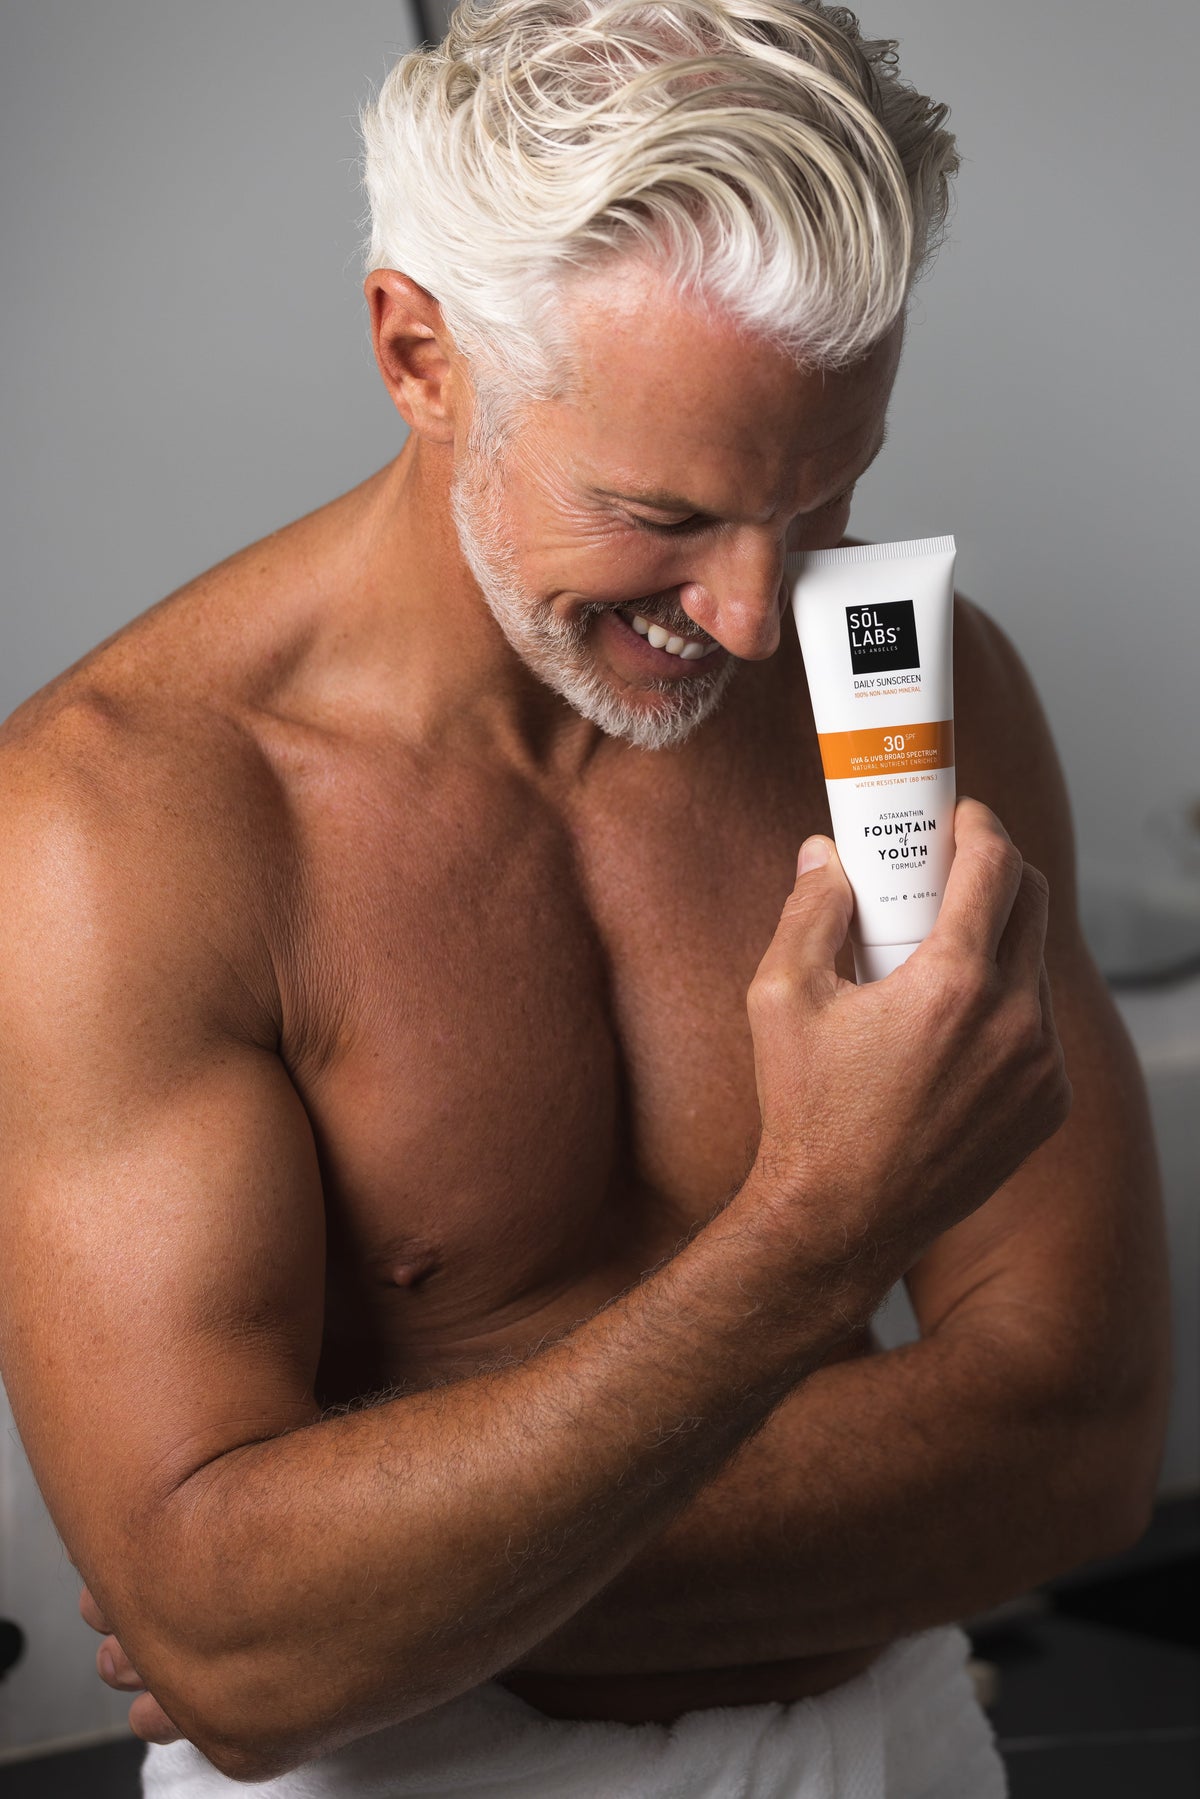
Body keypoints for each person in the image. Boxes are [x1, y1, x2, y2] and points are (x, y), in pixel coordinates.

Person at [0, 3, 1169, 1794]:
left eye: (824, 492)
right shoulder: (120, 827)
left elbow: (1077, 1450)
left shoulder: (903, 691)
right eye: (660, 512)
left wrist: (360, 1602)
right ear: (419, 355)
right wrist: (815, 1238)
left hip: (894, 1744)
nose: (756, 618)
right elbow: (234, 1652)